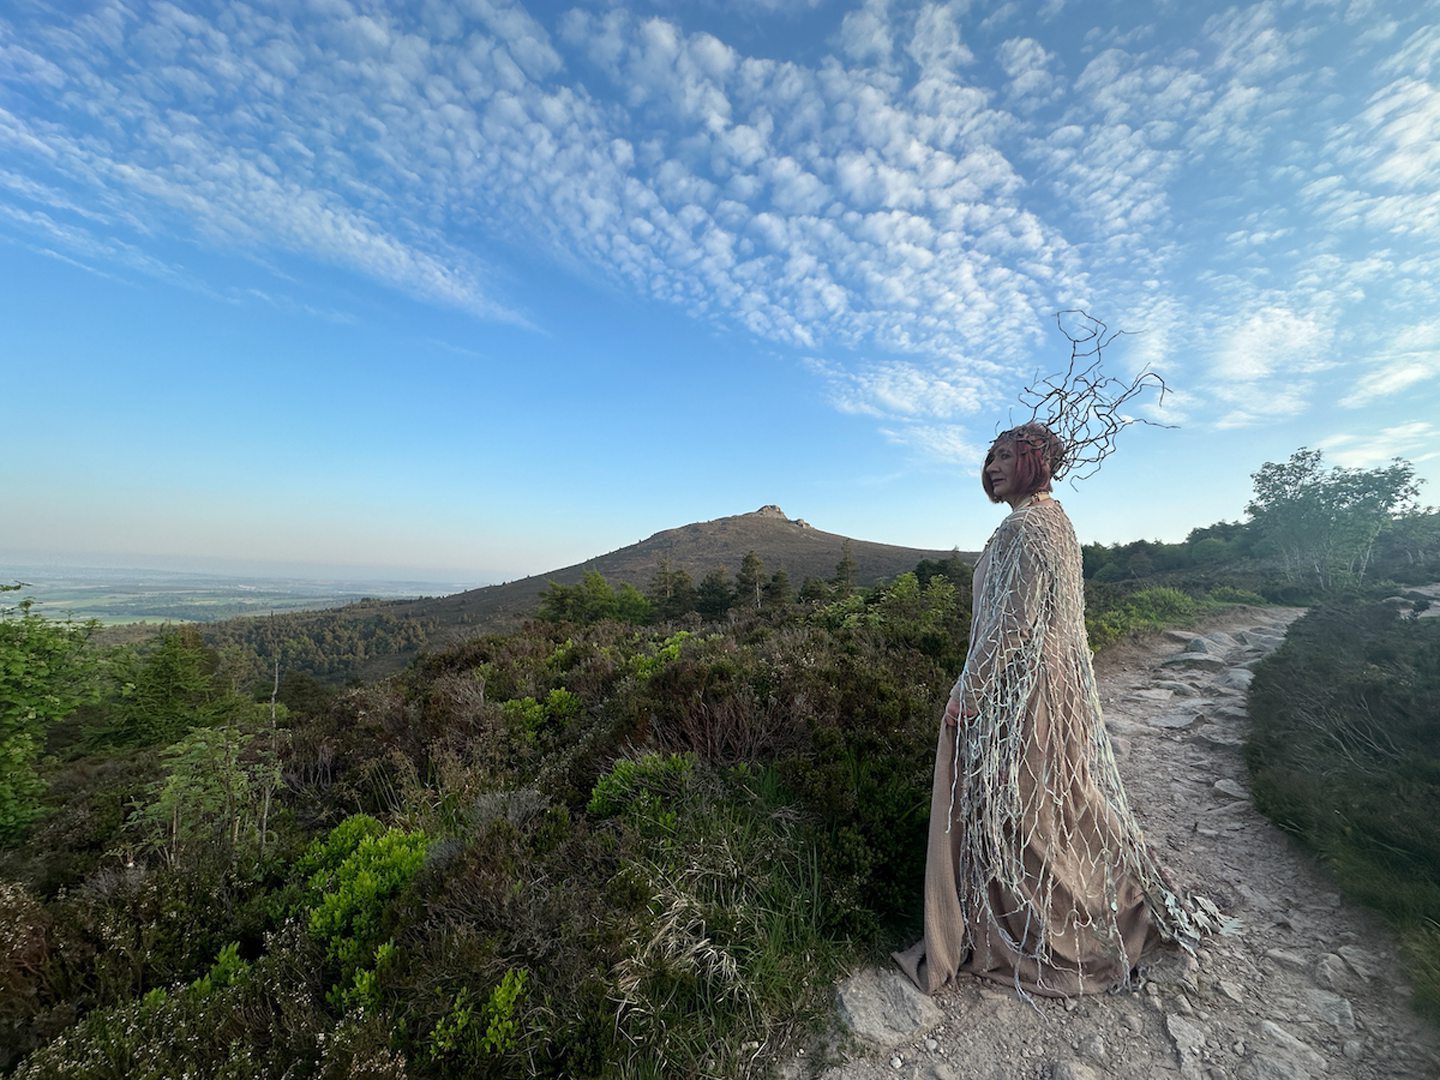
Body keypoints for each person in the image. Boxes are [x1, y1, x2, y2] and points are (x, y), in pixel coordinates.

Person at [893, 422, 1223, 998]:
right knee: (1051, 802)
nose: (991, 466)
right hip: (1050, 682)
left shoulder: (1027, 527)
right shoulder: (1053, 520)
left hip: (1020, 688)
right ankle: (1087, 905)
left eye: (1004, 457)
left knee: (1024, 808)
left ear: (1034, 461)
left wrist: (967, 693)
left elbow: (1013, 624)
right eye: (988, 457)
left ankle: (1052, 927)